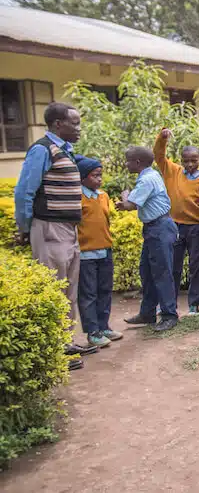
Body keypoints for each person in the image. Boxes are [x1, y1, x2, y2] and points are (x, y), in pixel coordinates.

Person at [14, 102, 96, 368]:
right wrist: (25, 227)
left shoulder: (65, 151)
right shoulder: (42, 149)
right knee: (54, 288)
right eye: (75, 123)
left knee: (69, 289)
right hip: (49, 227)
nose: (79, 128)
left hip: (68, 229)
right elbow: (24, 191)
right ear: (58, 124)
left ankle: (65, 342)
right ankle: (54, 351)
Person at [117, 146, 179, 332]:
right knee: (147, 271)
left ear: (137, 162)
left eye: (128, 161)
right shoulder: (150, 175)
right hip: (154, 228)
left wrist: (125, 195)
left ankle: (169, 315)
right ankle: (147, 313)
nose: (126, 164)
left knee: (162, 272)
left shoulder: (147, 179)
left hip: (159, 228)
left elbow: (130, 205)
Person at [153, 128, 199, 316]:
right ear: (181, 160)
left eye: (194, 160)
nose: (190, 164)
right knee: (172, 266)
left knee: (196, 266)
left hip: (196, 227)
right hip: (174, 226)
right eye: (186, 161)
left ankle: (194, 304)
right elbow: (158, 155)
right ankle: (168, 303)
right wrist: (162, 138)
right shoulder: (173, 171)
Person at [75, 156, 122, 348]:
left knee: (105, 291)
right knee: (88, 294)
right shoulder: (77, 197)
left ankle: (104, 327)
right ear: (82, 177)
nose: (99, 179)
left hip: (104, 251)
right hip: (85, 254)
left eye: (100, 175)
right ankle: (92, 332)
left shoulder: (103, 196)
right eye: (95, 175)